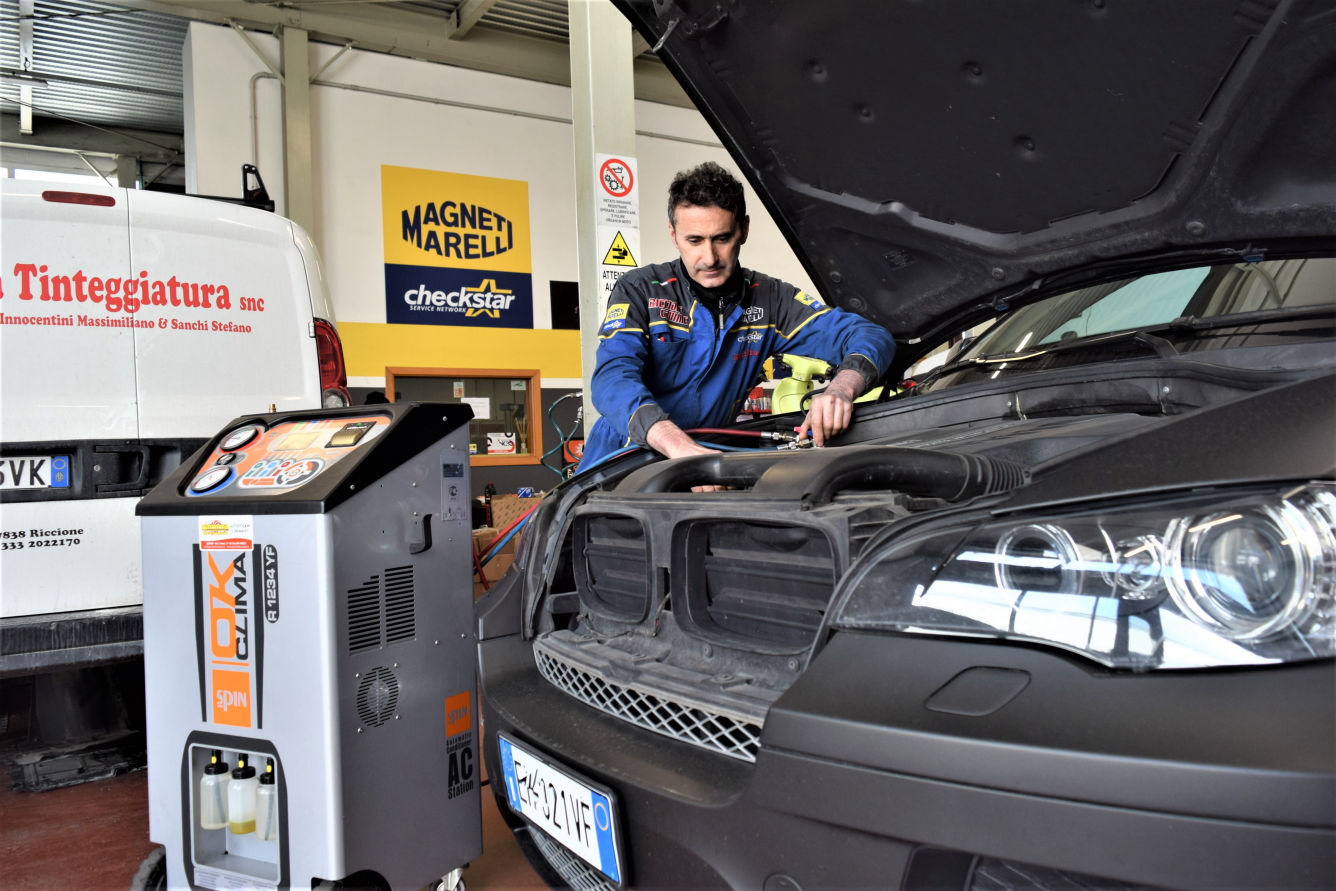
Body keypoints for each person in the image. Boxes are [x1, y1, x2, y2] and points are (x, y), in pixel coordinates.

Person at [579, 161, 895, 472]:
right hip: (621, 460)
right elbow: (612, 379)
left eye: (721, 238)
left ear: (743, 230)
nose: (710, 257)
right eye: (694, 241)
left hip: (705, 463)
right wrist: (673, 441)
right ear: (673, 235)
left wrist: (841, 389)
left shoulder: (771, 300)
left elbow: (871, 336)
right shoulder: (641, 291)